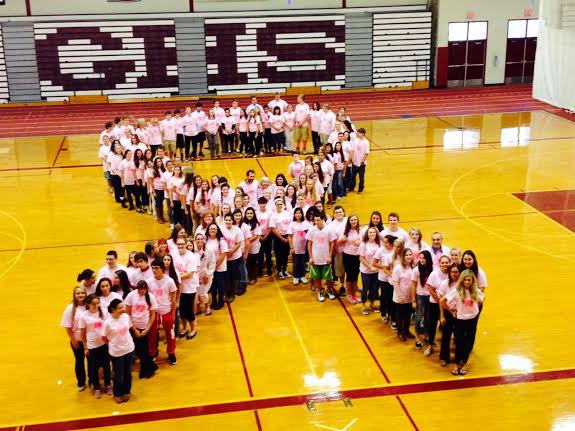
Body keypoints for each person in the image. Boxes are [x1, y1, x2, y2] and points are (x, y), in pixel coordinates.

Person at [441, 269, 484, 375]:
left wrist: (475, 310)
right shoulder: (457, 291)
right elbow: (442, 300)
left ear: (473, 281)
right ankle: (456, 363)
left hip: (472, 320)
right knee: (459, 342)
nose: (467, 282)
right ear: (462, 280)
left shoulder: (476, 291)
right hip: (460, 320)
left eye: (469, 280)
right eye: (465, 280)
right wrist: (451, 312)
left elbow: (482, 300)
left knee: (468, 343)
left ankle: (464, 363)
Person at [146, 258, 178, 365]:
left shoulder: (170, 281)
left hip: (166, 312)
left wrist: (173, 315)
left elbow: (173, 299)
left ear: (162, 269)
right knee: (152, 335)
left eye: (157, 268)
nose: (154, 270)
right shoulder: (149, 282)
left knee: (170, 334)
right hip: (154, 313)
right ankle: (152, 353)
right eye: (153, 268)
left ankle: (171, 352)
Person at [124, 280, 158, 379]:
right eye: (139, 291)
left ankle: (144, 370)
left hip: (145, 327)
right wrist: (134, 329)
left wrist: (146, 329)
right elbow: (127, 313)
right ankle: (150, 368)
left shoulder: (150, 297)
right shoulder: (131, 296)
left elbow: (152, 316)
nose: (141, 293)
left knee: (144, 350)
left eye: (143, 291)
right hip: (134, 327)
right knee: (139, 350)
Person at [79, 294, 111, 399]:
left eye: (98, 303)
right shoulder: (84, 316)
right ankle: (97, 388)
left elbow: (108, 327)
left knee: (106, 366)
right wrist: (85, 347)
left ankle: (107, 385)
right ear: (88, 304)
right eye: (93, 304)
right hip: (92, 346)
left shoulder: (103, 313)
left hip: (103, 345)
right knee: (94, 369)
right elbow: (82, 333)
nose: (96, 306)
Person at [103, 299, 135, 403]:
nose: (123, 309)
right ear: (113, 309)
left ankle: (126, 391)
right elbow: (104, 337)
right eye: (120, 308)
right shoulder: (107, 322)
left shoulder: (125, 317)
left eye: (123, 307)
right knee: (118, 374)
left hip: (129, 348)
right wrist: (113, 344)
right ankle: (117, 393)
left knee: (128, 373)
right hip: (116, 352)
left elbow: (129, 328)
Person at [61, 286, 89, 391]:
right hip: (77, 340)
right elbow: (68, 327)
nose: (80, 295)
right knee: (79, 361)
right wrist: (73, 341)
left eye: (82, 293)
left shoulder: (89, 306)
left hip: (89, 341)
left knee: (91, 362)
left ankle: (92, 381)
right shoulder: (70, 308)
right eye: (78, 293)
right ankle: (81, 382)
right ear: (74, 295)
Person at [306, 211, 337, 302]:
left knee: (328, 277)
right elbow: (309, 244)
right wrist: (311, 257)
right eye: (315, 220)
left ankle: (329, 290)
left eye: (318, 220)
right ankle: (319, 291)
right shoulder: (312, 230)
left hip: (326, 258)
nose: (316, 222)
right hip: (315, 259)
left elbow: (332, 244)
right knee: (316, 277)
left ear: (322, 219)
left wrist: (330, 256)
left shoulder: (329, 230)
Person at [424, 255, 451, 356]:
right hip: (434, 303)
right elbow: (431, 290)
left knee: (445, 325)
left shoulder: (451, 273)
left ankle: (444, 349)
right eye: (443, 262)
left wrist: (445, 304)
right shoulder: (434, 274)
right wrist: (441, 302)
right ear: (439, 263)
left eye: (447, 262)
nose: (445, 264)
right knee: (432, 325)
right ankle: (430, 344)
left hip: (447, 305)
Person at [173, 238, 198, 339]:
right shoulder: (174, 254)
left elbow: (190, 273)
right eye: (178, 244)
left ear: (186, 245)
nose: (180, 246)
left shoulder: (191, 256)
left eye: (182, 244)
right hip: (179, 288)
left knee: (188, 310)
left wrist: (177, 276)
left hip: (189, 288)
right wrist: (181, 274)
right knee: (181, 310)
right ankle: (184, 327)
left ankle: (193, 329)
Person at [438, 264, 460, 367]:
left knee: (459, 337)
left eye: (456, 272)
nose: (454, 274)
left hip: (460, 313)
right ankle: (444, 357)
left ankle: (458, 358)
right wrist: (442, 316)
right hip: (448, 312)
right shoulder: (444, 284)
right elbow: (441, 301)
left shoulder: (463, 284)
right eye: (452, 272)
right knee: (446, 336)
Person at [411, 250, 433, 349]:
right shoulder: (416, 270)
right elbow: (413, 285)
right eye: (420, 258)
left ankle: (427, 335)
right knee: (419, 317)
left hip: (430, 296)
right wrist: (413, 300)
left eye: (424, 258)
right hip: (420, 295)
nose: (422, 260)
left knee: (428, 317)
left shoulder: (432, 269)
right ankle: (417, 337)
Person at [392, 248, 415, 341]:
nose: (409, 256)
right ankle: (400, 332)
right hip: (400, 296)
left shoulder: (414, 267)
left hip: (410, 296)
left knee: (408, 315)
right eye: (407, 255)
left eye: (410, 255)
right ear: (403, 256)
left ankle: (406, 330)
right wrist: (399, 296)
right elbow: (395, 282)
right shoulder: (398, 268)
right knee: (400, 315)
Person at [205, 223, 229, 310]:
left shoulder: (221, 241)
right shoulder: (206, 240)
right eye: (211, 229)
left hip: (219, 267)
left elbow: (223, 255)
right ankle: (214, 301)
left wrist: (215, 266)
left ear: (217, 230)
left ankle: (221, 302)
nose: (212, 230)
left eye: (214, 229)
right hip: (210, 267)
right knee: (213, 286)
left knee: (220, 286)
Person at [359, 227, 381, 314]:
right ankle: (363, 305)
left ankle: (372, 304)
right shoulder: (363, 244)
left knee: (374, 288)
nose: (372, 234)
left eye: (374, 232)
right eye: (370, 232)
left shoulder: (379, 244)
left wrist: (378, 267)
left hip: (376, 270)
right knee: (366, 288)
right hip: (366, 271)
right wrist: (369, 266)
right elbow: (361, 258)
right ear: (367, 234)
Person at [269, 198, 292, 279]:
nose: (279, 206)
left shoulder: (287, 213)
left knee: (286, 254)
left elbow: (290, 225)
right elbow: (273, 229)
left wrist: (288, 237)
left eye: (281, 204)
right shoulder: (273, 216)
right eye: (278, 204)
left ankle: (285, 270)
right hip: (278, 238)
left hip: (287, 236)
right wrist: (282, 238)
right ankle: (279, 271)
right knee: (279, 255)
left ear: (283, 205)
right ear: (275, 206)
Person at [288, 207, 310, 285]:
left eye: (299, 213)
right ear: (294, 214)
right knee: (296, 262)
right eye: (296, 213)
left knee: (303, 262)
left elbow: (309, 234)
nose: (298, 214)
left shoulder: (306, 223)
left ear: (302, 214)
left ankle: (302, 276)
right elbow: (289, 236)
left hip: (304, 247)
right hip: (295, 246)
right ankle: (296, 276)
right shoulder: (292, 224)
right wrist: (291, 247)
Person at [349, 128, 369, 194]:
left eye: (359, 133)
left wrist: (362, 161)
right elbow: (352, 150)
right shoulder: (356, 140)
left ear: (363, 134)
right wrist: (352, 159)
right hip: (355, 161)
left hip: (361, 163)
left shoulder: (366, 142)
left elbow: (366, 153)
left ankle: (361, 189)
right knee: (352, 176)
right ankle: (351, 187)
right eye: (358, 132)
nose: (358, 134)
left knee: (361, 176)